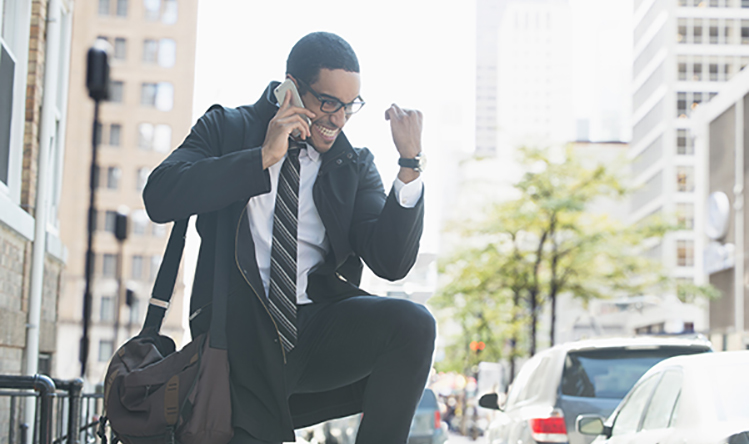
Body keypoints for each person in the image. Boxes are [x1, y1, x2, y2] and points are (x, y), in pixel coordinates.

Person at [143, 32, 436, 444]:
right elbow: (159, 195)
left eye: (349, 106)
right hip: (237, 336)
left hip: (313, 329)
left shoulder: (351, 164)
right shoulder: (228, 128)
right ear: (291, 87)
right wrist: (261, 157)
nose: (338, 118)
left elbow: (391, 262)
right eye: (327, 102)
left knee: (413, 324)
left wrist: (408, 167)